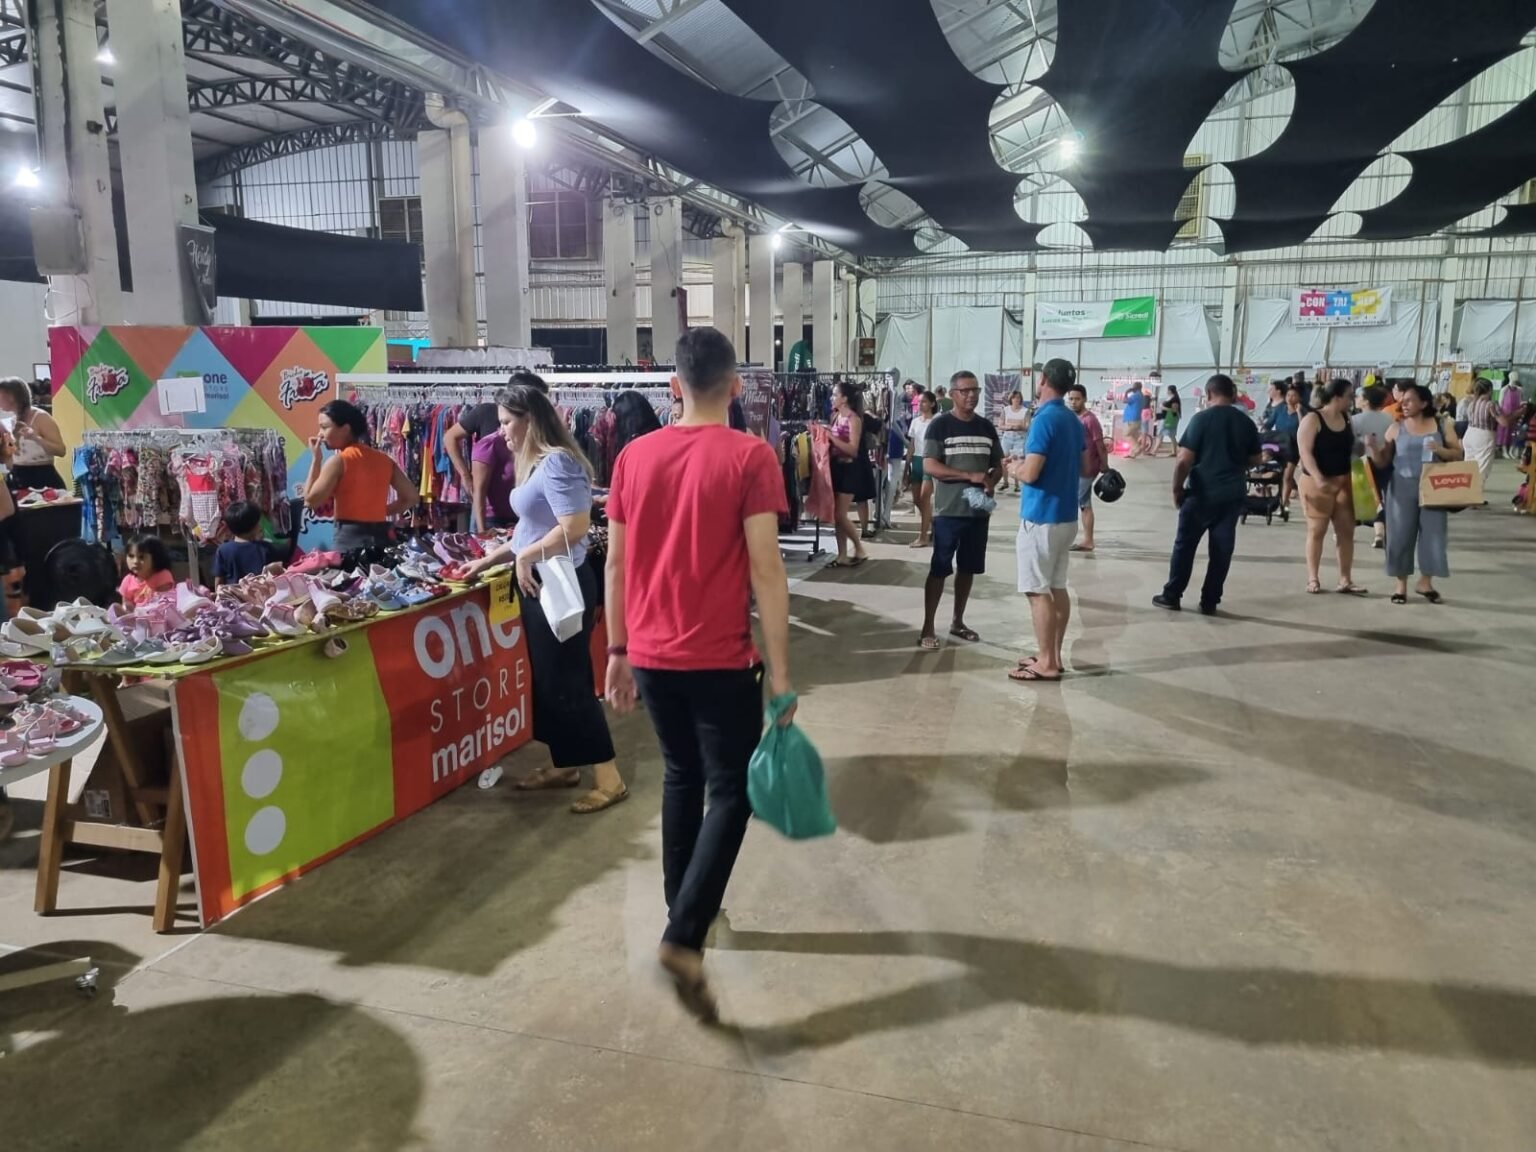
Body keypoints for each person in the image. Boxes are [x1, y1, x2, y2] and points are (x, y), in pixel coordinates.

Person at [603, 326, 792, 1023]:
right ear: (736, 386)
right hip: (720, 658)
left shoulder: (633, 456)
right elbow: (767, 570)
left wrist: (616, 650)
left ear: (672, 385)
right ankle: (684, 937)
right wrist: (781, 675)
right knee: (734, 792)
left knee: (682, 777)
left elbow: (616, 563)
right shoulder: (751, 456)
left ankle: (684, 908)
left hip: (650, 655)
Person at [463, 383, 627, 814]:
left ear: (529, 420)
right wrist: (490, 560)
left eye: (506, 422)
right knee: (550, 682)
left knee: (569, 681)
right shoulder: (536, 462)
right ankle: (565, 764)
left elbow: (574, 528)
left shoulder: (557, 463)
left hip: (558, 582)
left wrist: (526, 557)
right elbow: (529, 531)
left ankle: (609, 778)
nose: (500, 431)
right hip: (540, 581)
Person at [1005, 359, 1087, 683]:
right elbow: (1083, 464)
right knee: (1056, 587)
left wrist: (1013, 468)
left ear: (1042, 380)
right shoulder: (1073, 420)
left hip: (1040, 518)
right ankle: (1052, 654)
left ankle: (1047, 663)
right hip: (1066, 516)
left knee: (1036, 591)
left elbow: (1031, 473)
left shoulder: (1043, 419)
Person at [1153, 374, 1262, 615]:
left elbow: (1184, 460)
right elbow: (1257, 459)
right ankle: (1210, 600)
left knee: (1185, 546)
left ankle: (1172, 595)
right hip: (1232, 496)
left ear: (1209, 393)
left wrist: (1177, 489)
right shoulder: (1246, 423)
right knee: (1221, 549)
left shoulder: (1201, 420)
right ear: (1233, 394)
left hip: (1201, 494)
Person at [920, 371, 1002, 650]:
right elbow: (930, 465)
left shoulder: (986, 427)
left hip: (978, 511)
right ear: (952, 394)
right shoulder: (940, 426)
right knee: (940, 568)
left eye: (975, 390)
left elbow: (997, 464)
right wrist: (969, 476)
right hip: (948, 510)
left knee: (968, 568)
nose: (971, 396)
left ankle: (958, 621)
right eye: (965, 391)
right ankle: (928, 626)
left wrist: (991, 480)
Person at [1367, 384, 1462, 605]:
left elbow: (1458, 453)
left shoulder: (1442, 425)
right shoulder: (1396, 428)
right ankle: (1400, 586)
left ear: (1424, 403)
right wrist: (1373, 449)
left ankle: (1425, 582)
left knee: (1434, 535)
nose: (1403, 404)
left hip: (1434, 486)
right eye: (1403, 400)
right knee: (1400, 536)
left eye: (1409, 400)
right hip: (1401, 486)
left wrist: (1440, 450)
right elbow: (1383, 461)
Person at [302, 399, 419, 552]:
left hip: (349, 542)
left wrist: (316, 460)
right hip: (381, 541)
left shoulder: (339, 461)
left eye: (324, 427)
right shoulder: (384, 460)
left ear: (345, 429)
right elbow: (411, 497)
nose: (320, 434)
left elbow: (311, 500)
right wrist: (381, 511)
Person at [1296, 379, 1366, 595]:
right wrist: (1318, 477)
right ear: (1337, 397)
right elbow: (1305, 452)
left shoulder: (1347, 418)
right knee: (1317, 530)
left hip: (1344, 481)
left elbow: (1352, 448)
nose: (1352, 399)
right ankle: (1313, 578)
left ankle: (1345, 579)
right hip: (1316, 483)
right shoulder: (1312, 419)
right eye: (1349, 395)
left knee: (1346, 531)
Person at [442, 370, 549, 496]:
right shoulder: (486, 412)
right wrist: (465, 475)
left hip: (524, 494)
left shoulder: (541, 422)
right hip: (489, 497)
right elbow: (450, 437)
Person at [826, 380, 874, 567]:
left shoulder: (854, 419)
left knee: (840, 514)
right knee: (837, 516)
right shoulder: (835, 416)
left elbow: (853, 449)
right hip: (836, 468)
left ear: (844, 399)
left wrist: (831, 437)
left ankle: (859, 548)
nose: (832, 398)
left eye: (835, 394)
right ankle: (842, 555)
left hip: (850, 470)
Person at [0, 376, 66, 490]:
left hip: (43, 480)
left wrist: (36, 438)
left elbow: (61, 451)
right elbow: (10, 459)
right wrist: (6, 449)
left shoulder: (41, 417)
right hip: (18, 480)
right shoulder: (9, 422)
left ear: (11, 396)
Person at [1352, 385, 1395, 549]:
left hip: (1361, 463)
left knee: (1361, 499)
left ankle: (1346, 532)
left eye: (1359, 397)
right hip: (1385, 460)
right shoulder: (1389, 419)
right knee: (1380, 498)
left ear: (1366, 401)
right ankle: (1379, 533)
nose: (1356, 399)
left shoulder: (1355, 420)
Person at [1066, 382, 1106, 553]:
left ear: (1084, 399)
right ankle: (1088, 540)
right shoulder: (1072, 418)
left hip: (1087, 468)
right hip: (1075, 468)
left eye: (1077, 399)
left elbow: (1100, 444)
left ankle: (1083, 540)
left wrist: (1105, 465)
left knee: (1078, 503)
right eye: (1071, 399)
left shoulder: (1090, 420)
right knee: (1084, 503)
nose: (1073, 402)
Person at [470, 419, 517, 533]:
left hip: (520, 516)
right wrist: (482, 531)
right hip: (494, 520)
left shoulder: (526, 443)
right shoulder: (489, 444)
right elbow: (479, 491)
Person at [1459, 378, 1506, 489]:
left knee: (1469, 466)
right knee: (1481, 468)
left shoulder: (1471, 404)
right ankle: (1475, 493)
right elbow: (1504, 422)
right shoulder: (1491, 405)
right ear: (1489, 390)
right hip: (1484, 436)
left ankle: (1465, 490)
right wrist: (1517, 413)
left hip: (1469, 434)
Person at [906, 390, 937, 548]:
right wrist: (907, 466)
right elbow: (912, 445)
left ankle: (923, 536)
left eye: (924, 401)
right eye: (919, 402)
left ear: (932, 403)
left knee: (925, 499)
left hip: (929, 460)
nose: (920, 405)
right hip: (916, 461)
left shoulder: (936, 422)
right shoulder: (915, 421)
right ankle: (935, 524)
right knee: (917, 500)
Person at [212, 501, 270, 586]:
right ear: (254, 526)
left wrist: (218, 593)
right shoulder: (265, 548)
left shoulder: (223, 550)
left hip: (234, 593)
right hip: (260, 592)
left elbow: (219, 581)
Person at [1271, 384, 1306, 518]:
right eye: (1288, 395)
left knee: (1287, 476)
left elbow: (1304, 427)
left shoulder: (1303, 411)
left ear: (1299, 398)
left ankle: (1283, 504)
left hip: (1293, 447)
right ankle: (1282, 500)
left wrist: (1299, 412)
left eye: (1294, 395)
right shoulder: (1280, 409)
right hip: (1279, 446)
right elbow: (1269, 423)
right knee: (1280, 476)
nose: (1290, 398)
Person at [119, 534, 175, 607]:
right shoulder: (128, 581)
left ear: (156, 558)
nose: (135, 561)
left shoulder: (162, 576)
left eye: (141, 557)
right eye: (131, 556)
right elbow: (126, 606)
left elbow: (163, 606)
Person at [998, 390, 1030, 493]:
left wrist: (1019, 426)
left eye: (1018, 398)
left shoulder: (1025, 411)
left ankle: (1017, 484)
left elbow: (1027, 426)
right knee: (1004, 460)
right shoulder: (1006, 410)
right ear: (1010, 399)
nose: (1016, 400)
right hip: (1007, 437)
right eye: (1014, 398)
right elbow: (1000, 425)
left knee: (1017, 460)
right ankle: (1005, 482)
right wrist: (1009, 427)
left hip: (1019, 439)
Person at [1498, 371, 1523, 459]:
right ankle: (1504, 450)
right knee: (1505, 432)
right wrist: (1502, 415)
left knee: (1514, 432)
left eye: (1517, 375)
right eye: (1514, 375)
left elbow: (1520, 401)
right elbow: (1500, 403)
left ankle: (1511, 450)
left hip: (1515, 414)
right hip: (1506, 414)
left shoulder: (1519, 390)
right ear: (1510, 377)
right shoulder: (1504, 389)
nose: (1516, 377)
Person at [1121, 383, 1146, 457]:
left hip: (1131, 419)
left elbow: (1124, 401)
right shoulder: (1142, 396)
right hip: (1138, 419)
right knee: (1134, 436)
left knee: (1126, 435)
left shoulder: (1135, 396)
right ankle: (1132, 454)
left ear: (1135, 388)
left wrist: (1126, 392)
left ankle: (1137, 448)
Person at [1158, 388, 1182, 456]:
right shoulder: (1170, 398)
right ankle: (1174, 451)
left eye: (1168, 390)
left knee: (1168, 434)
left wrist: (1163, 407)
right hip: (1167, 417)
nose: (1167, 391)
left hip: (1170, 418)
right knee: (1168, 434)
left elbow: (1174, 410)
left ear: (1170, 391)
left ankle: (1175, 451)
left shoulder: (1174, 399)